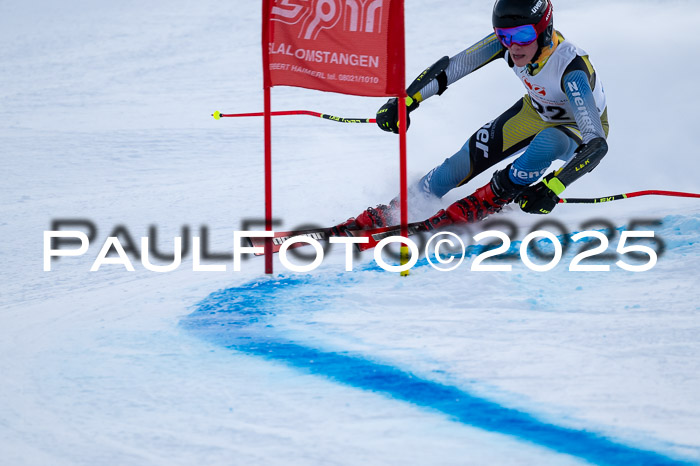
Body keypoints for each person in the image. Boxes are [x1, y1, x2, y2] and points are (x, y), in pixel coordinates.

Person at [334, 0, 609, 234]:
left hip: (575, 130)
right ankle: (403, 207)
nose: (513, 45)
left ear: (545, 29)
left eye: (523, 35)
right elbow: (455, 67)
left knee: (548, 142)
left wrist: (552, 186)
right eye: (504, 36)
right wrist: (406, 100)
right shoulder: (509, 45)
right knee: (463, 160)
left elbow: (595, 144)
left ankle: (487, 201)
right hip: (534, 111)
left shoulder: (570, 69)